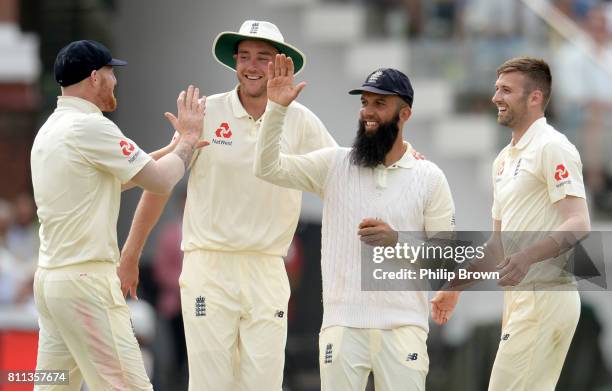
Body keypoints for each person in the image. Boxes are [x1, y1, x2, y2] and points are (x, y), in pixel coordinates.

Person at [119, 20, 337, 390]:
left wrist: (399, 156)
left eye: (263, 58)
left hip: (268, 267)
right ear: (235, 62)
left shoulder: (300, 121)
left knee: (263, 383)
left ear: (280, 64)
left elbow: (341, 177)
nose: (252, 66)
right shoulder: (205, 114)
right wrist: (130, 253)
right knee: (211, 383)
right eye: (245, 57)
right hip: (210, 265)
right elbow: (160, 182)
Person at [254, 55, 455, 390]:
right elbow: (267, 168)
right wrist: (276, 109)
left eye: (379, 103)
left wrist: (397, 240)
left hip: (405, 327)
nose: (368, 112)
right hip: (342, 324)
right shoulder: (334, 164)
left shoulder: (429, 177)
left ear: (404, 114)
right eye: (364, 103)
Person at [30, 39, 205, 390]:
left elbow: (111, 181)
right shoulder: (90, 127)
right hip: (86, 284)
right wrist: (187, 140)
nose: (115, 80)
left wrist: (171, 148)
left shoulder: (50, 130)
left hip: (52, 283)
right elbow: (157, 181)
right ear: (94, 77)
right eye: (111, 72)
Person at [431, 57, 591, 391]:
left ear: (534, 97)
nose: (495, 98)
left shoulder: (552, 147)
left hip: (546, 297)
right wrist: (452, 289)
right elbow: (497, 246)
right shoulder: (503, 160)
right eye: (496, 89)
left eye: (506, 90)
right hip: (521, 299)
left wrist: (527, 258)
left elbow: (578, 222)